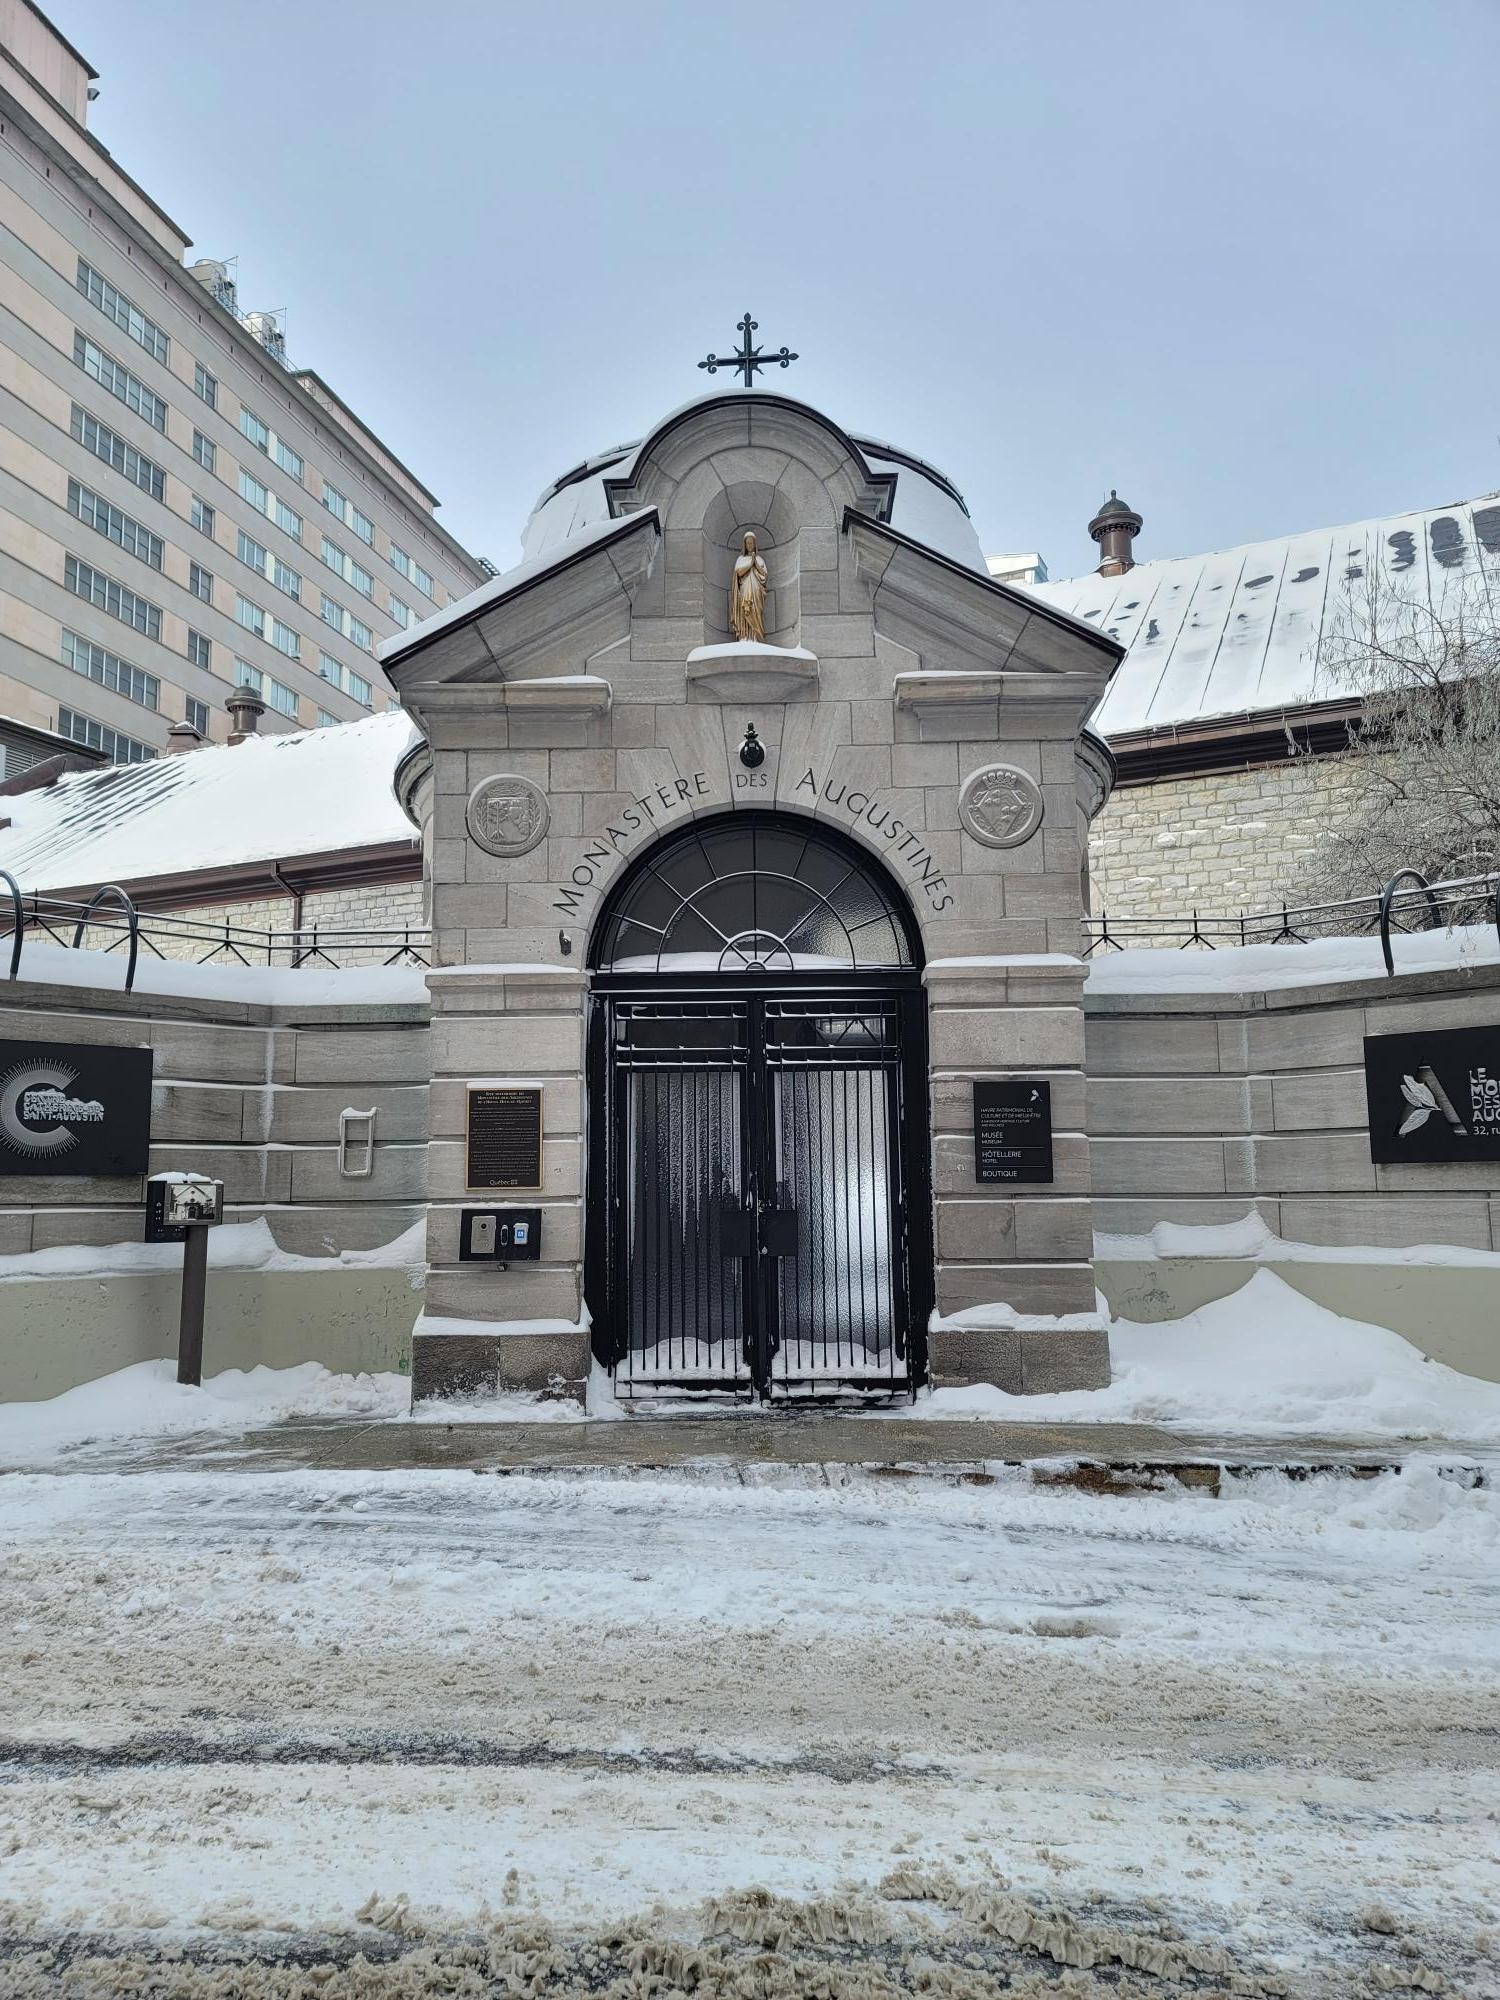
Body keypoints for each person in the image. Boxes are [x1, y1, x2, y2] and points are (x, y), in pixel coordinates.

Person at [729, 531, 769, 643]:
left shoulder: (760, 559)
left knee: (755, 610)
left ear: (755, 544)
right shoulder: (741, 559)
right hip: (745, 588)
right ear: (745, 545)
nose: (750, 545)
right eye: (748, 543)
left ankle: (755, 636)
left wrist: (755, 562)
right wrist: (750, 563)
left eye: (752, 543)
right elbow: (738, 571)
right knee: (745, 608)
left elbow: (764, 575)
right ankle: (744, 635)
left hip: (757, 591)